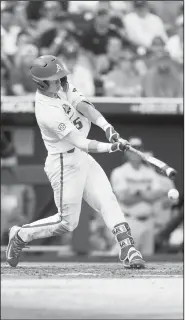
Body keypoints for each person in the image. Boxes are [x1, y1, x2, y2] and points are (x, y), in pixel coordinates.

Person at [6, 55, 145, 269]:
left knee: (107, 198)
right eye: (56, 79)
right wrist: (112, 147)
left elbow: (83, 105)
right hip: (64, 163)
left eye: (61, 77)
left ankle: (127, 247)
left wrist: (107, 127)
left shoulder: (62, 85)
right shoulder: (46, 110)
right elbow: (80, 142)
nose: (61, 81)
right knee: (67, 223)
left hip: (82, 158)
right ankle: (21, 234)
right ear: (42, 83)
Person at [110, 137, 169, 255]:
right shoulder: (119, 172)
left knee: (148, 259)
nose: (134, 152)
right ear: (126, 152)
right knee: (125, 256)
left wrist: (138, 193)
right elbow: (124, 198)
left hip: (149, 221)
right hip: (129, 220)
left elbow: (158, 194)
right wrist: (146, 194)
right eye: (131, 149)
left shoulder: (149, 172)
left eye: (138, 149)